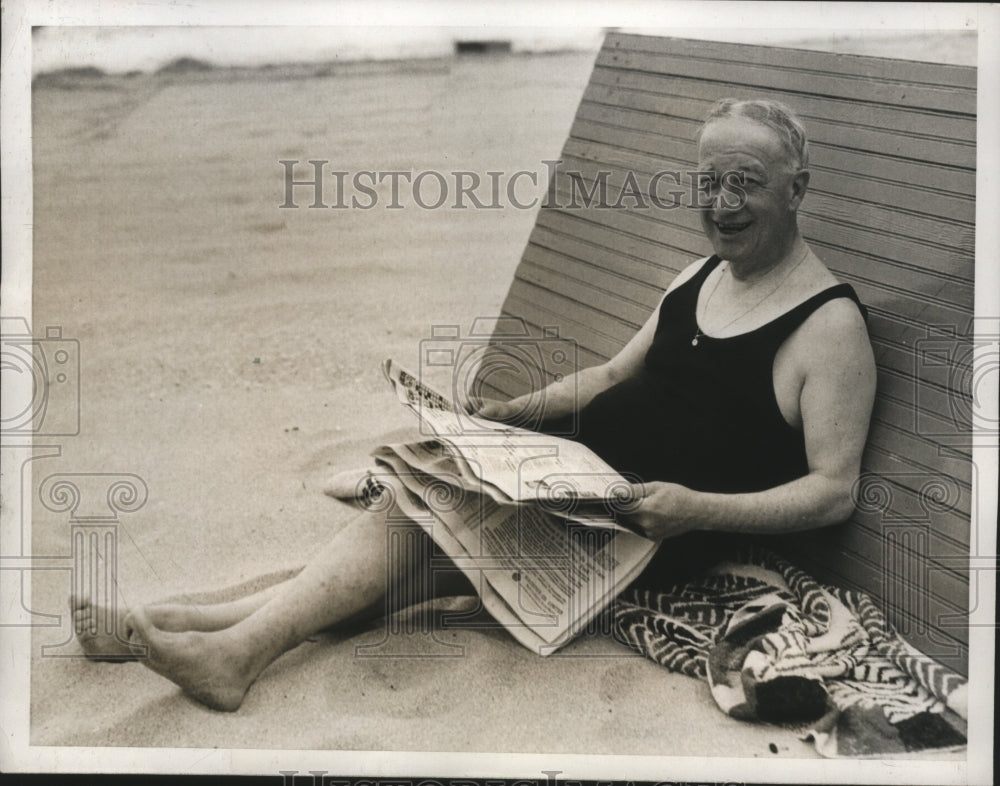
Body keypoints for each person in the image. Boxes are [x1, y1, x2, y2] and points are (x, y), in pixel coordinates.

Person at [72, 98, 876, 712]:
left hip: (647, 534)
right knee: (430, 510)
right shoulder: (696, 276)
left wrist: (695, 508)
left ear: (798, 189)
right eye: (708, 181)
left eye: (746, 183)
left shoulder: (827, 326)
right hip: (580, 485)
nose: (722, 201)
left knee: (424, 523)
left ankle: (226, 647)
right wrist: (502, 420)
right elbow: (601, 379)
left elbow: (832, 490)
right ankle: (193, 625)